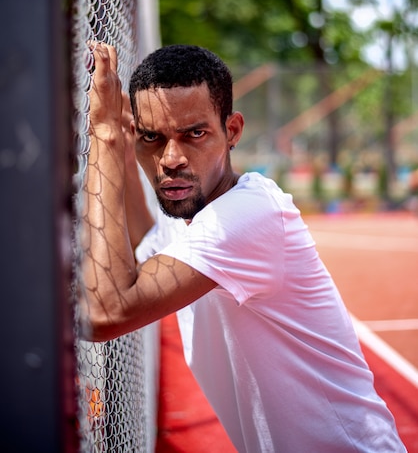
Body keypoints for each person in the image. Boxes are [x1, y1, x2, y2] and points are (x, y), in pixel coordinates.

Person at [82, 42, 406, 453]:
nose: (171, 158)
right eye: (152, 138)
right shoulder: (193, 218)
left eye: (194, 134)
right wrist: (125, 150)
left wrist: (105, 135)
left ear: (231, 131)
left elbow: (105, 310)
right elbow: (144, 239)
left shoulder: (248, 217)